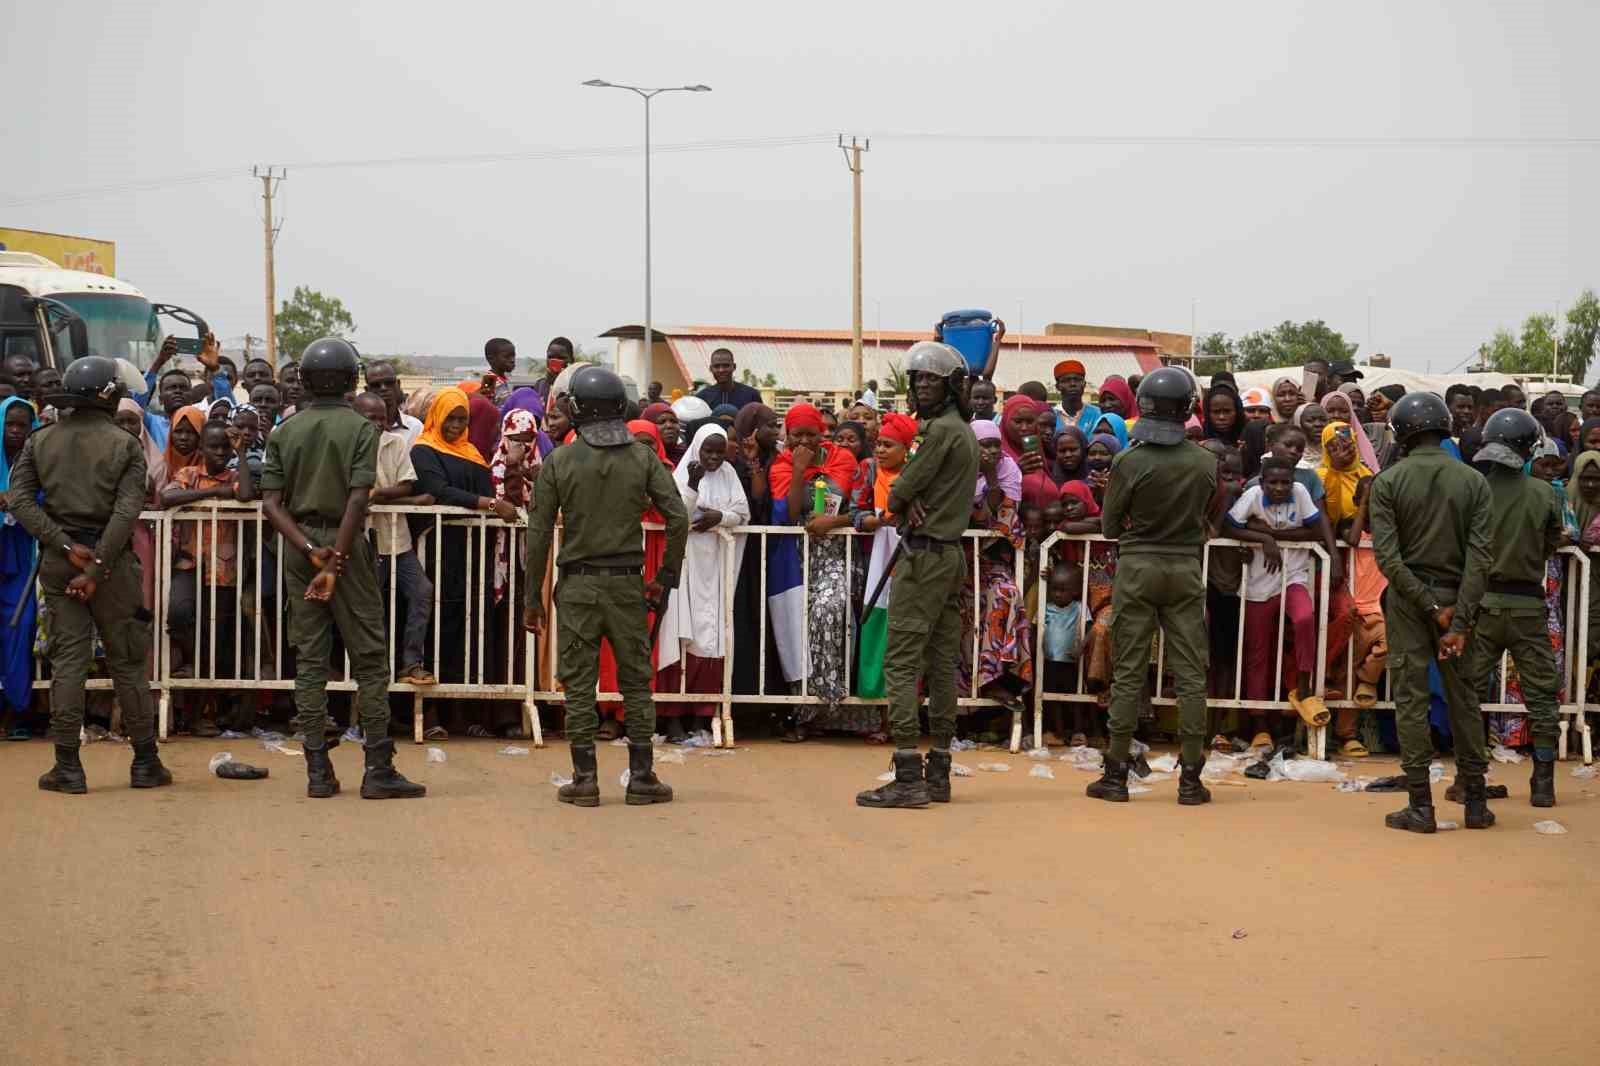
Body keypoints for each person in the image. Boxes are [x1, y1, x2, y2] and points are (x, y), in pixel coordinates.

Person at [259, 338, 426, 801]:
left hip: (300, 547)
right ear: (352, 379)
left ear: (305, 381)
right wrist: (334, 557)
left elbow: (271, 504)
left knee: (310, 663)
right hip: (347, 547)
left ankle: (317, 770)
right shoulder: (361, 429)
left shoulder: (283, 432)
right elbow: (358, 497)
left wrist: (312, 550)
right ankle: (378, 769)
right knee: (371, 660)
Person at [524, 366, 688, 807]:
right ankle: (642, 777)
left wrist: (530, 600)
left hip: (577, 585)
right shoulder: (642, 457)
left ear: (576, 408)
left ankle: (584, 779)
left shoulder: (560, 460)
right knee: (636, 682)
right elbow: (678, 517)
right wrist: (664, 579)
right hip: (627, 584)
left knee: (579, 685)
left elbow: (538, 533)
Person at [6, 356, 171, 794]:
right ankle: (145, 763)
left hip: (61, 562)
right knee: (128, 664)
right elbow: (127, 509)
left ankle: (67, 767)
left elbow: (20, 502)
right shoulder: (124, 444)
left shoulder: (41, 441)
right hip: (112, 562)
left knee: (68, 663)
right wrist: (97, 565)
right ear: (108, 394)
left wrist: (63, 545)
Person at [1085, 367, 1217, 806]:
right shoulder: (1205, 461)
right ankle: (1191, 779)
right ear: (1187, 409)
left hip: (1138, 566)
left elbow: (1108, 525)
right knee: (1191, 675)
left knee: (1128, 670)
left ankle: (1116, 774)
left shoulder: (1128, 460)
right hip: (1184, 567)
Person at [855, 341, 979, 809]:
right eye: (919, 379)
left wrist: (906, 498)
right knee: (942, 663)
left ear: (949, 386)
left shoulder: (938, 431)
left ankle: (908, 773)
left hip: (925, 557)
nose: (923, 386)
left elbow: (902, 488)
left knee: (902, 664)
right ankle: (940, 771)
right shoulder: (961, 429)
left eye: (931, 379)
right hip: (948, 555)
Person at [1367, 392, 1492, 833]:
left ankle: (1421, 805)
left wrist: (1430, 606)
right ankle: (1475, 802)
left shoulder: (1388, 482)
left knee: (1411, 697)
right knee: (1465, 698)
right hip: (1460, 600)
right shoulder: (1474, 481)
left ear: (1400, 433)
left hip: (1408, 601)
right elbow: (1481, 558)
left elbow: (1388, 558)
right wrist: (1457, 618)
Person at [1466, 409, 1563, 809]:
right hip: (1527, 606)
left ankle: (1469, 778)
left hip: (1482, 605)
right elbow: (1551, 542)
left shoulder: (1475, 489)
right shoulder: (1544, 492)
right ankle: (1543, 782)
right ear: (1529, 447)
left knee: (1468, 693)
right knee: (1542, 696)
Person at [411, 387, 516, 736]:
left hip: (473, 551)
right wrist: (487, 504)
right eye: (450, 418)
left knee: (468, 627)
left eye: (462, 419)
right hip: (439, 548)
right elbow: (439, 490)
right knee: (437, 625)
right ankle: (430, 713)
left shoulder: (472, 452)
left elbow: (482, 488)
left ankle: (461, 712)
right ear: (437, 416)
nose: (456, 425)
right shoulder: (425, 449)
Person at [1225, 455, 1331, 746]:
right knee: (1257, 652)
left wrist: (1268, 532)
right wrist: (1266, 542)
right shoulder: (1252, 495)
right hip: (1259, 582)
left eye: (1286, 481)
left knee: (1305, 618)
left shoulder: (1300, 493)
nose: (1280, 487)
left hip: (1294, 576)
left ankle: (1304, 688)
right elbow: (1229, 526)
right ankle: (1259, 722)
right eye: (1274, 482)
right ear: (1262, 482)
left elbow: (1317, 530)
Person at [161, 420, 257, 732]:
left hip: (223, 569)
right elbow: (166, 498)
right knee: (179, 611)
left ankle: (206, 712)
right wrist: (216, 491)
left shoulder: (234, 474)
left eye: (224, 447)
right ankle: (190, 660)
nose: (218, 452)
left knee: (218, 637)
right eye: (212, 447)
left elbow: (244, 494)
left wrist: (241, 455)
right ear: (202, 449)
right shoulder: (189, 474)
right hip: (190, 563)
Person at [656, 424, 749, 738]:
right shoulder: (683, 474)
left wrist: (718, 518)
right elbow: (678, 511)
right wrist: (694, 484)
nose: (713, 457)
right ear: (697, 448)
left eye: (719, 452)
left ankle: (702, 713)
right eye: (708, 451)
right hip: (686, 563)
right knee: (681, 630)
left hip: (717, 563)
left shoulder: (729, 475)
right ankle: (672, 716)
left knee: (711, 634)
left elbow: (742, 512)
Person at [353, 394, 436, 687]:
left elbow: (406, 484)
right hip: (362, 541)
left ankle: (410, 663)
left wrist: (376, 494)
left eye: (380, 418)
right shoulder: (348, 445)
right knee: (371, 607)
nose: (376, 424)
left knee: (422, 592)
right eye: (369, 418)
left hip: (397, 541)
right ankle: (372, 669)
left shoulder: (396, 443)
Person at [0, 396, 39, 740]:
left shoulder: (38, 461)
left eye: (21, 425)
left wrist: (19, 502)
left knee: (20, 629)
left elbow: (49, 499)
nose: (15, 431)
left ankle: (18, 711)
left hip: (22, 556)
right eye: (9, 424)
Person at [364, 361, 423, 446]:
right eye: (376, 385)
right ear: (367, 390)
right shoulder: (360, 429)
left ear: (398, 384)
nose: (383, 388)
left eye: (389, 383)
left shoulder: (415, 427)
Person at [695, 348, 762, 411]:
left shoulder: (751, 395)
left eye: (726, 366)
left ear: (734, 367)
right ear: (711, 368)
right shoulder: (702, 398)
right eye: (717, 366)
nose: (721, 370)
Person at [1052, 360, 1100, 435]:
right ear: (1057, 386)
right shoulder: (1051, 416)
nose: (1073, 384)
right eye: (1066, 380)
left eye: (1077, 380)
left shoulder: (1097, 414)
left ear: (1084, 384)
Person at [481, 337, 517, 406]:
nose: (512, 360)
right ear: (491, 358)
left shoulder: (504, 380)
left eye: (513, 356)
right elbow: (485, 407)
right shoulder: (489, 380)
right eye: (507, 357)